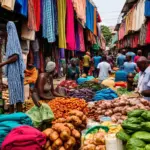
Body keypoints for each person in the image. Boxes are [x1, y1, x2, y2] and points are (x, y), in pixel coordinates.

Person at [0, 22, 25, 113]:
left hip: (14, 72)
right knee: (14, 96)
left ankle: (15, 117)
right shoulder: (14, 39)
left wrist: (2, 64)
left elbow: (15, 57)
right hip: (14, 72)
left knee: (15, 97)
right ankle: (15, 116)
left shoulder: (12, 39)